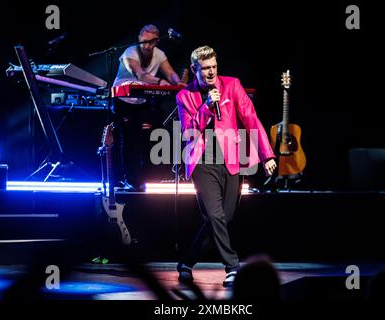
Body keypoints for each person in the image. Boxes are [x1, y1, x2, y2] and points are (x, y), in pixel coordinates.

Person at [175, 46, 277, 287]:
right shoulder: (184, 96)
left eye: (214, 67)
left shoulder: (232, 85)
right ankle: (232, 267)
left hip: (230, 159)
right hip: (202, 162)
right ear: (194, 69)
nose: (211, 73)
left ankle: (186, 263)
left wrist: (267, 155)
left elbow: (251, 118)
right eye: (205, 69)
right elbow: (189, 132)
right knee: (214, 214)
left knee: (223, 217)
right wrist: (207, 107)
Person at [112, 24, 186, 189]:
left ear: (157, 42)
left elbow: (170, 72)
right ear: (139, 38)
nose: (147, 46)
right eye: (144, 42)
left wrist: (178, 82)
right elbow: (140, 74)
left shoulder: (160, 55)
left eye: (151, 43)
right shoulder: (130, 52)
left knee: (147, 136)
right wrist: (160, 81)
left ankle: (146, 177)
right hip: (123, 100)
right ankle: (128, 178)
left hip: (142, 100)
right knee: (127, 138)